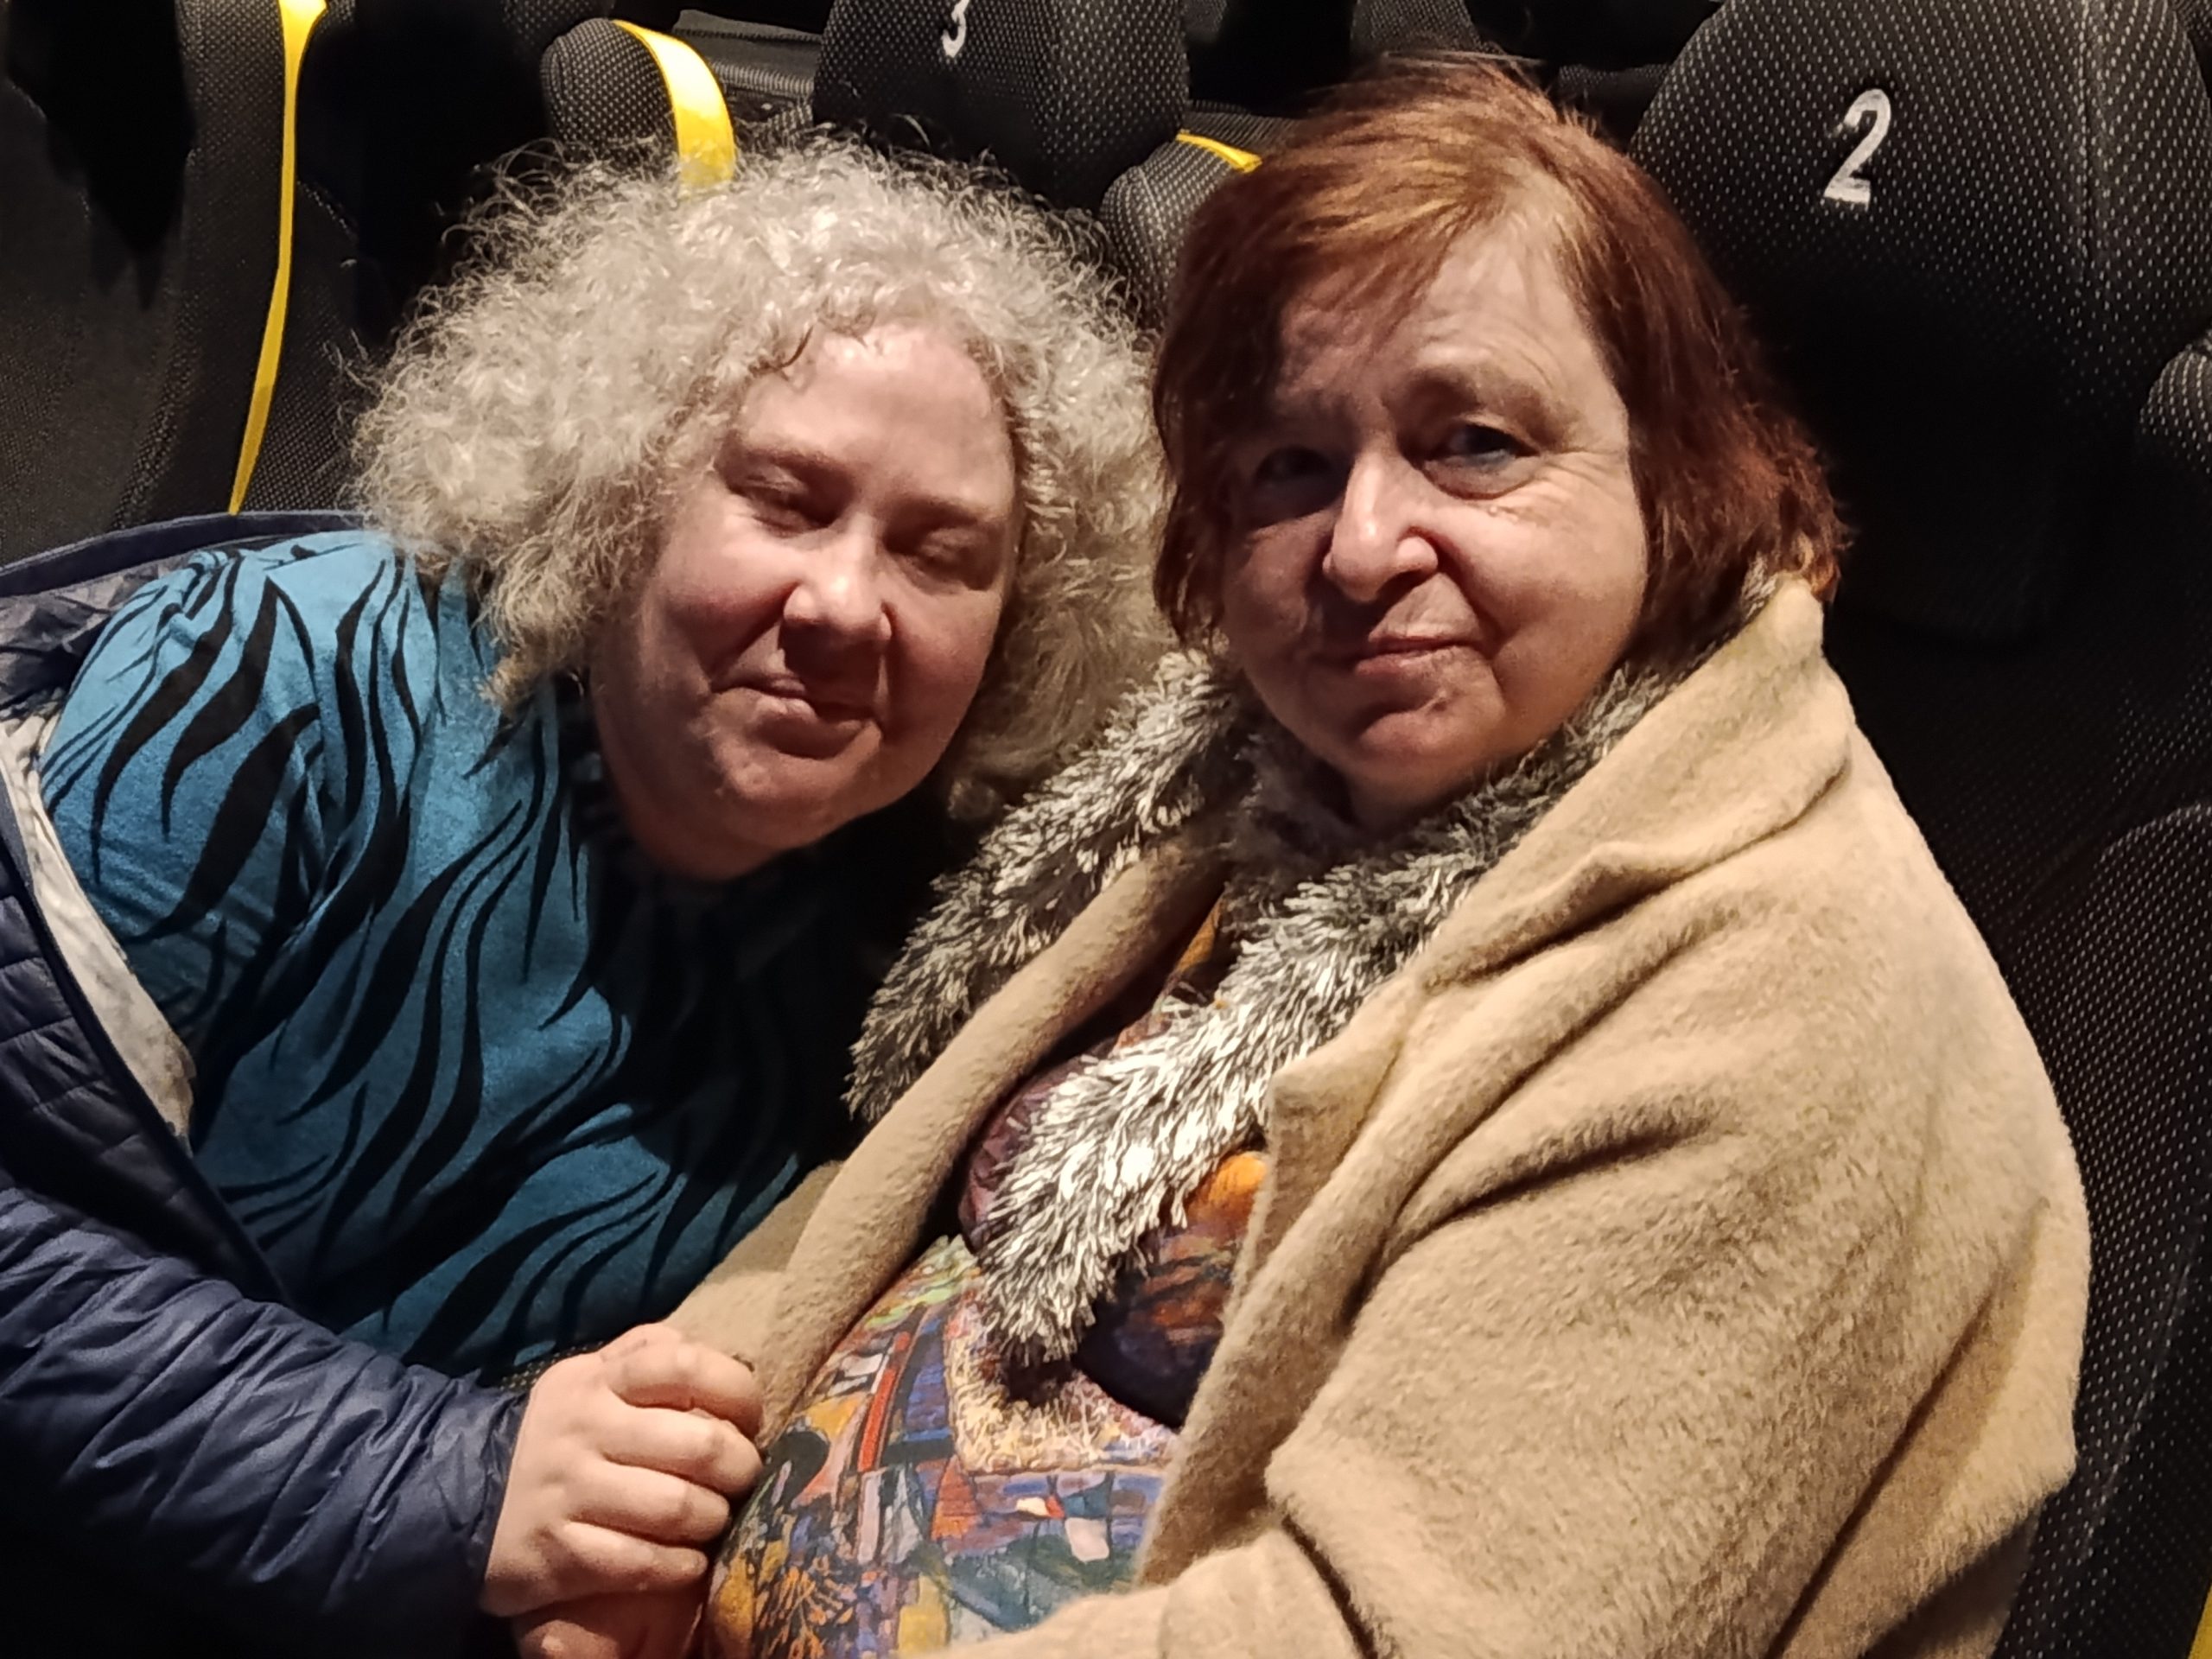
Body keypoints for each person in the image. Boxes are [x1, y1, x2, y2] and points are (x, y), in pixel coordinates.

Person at [532, 54, 2089, 1659]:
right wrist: (648, 1478)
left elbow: (1384, 1635)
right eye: (1289, 464)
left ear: (1673, 475)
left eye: (1474, 443)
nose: (1359, 547)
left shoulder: (1793, 1000)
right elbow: (890, 1202)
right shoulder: (1248, 782)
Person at [0, 140, 1160, 1657]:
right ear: (624, 496)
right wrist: (448, 1484)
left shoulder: (906, 967)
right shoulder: (270, 688)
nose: (845, 605)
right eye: (786, 500)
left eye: (942, 556)